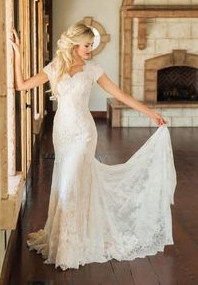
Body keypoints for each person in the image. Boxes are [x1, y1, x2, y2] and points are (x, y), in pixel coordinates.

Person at [10, 23, 177, 271]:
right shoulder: (55, 67)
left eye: (91, 45)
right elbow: (21, 85)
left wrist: (150, 113)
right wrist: (17, 51)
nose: (90, 49)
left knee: (70, 183)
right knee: (67, 182)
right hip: (62, 132)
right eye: (87, 45)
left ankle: (69, 249)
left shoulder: (93, 70)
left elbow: (121, 95)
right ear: (74, 45)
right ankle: (65, 239)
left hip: (83, 135)